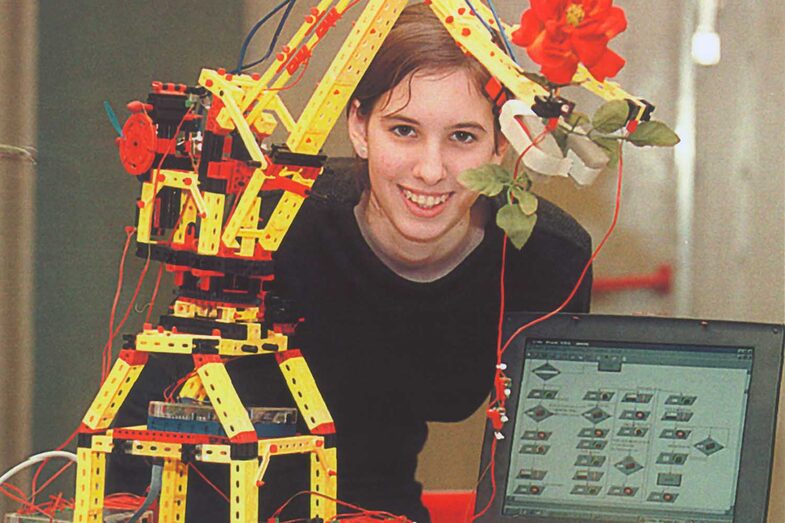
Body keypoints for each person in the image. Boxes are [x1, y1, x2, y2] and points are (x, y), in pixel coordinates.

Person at [108, 3, 592, 522]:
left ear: (503, 143)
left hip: (375, 509)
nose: (430, 170)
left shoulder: (543, 258)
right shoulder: (269, 223)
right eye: (403, 130)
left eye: (463, 136)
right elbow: (142, 414)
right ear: (359, 126)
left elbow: (547, 472)